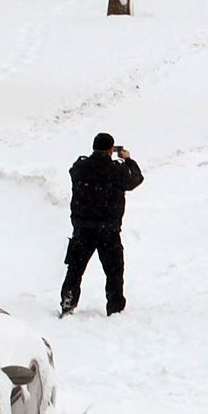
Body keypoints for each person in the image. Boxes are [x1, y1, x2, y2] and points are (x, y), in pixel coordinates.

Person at [61, 133, 144, 316]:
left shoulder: (80, 167)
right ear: (110, 150)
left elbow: (73, 170)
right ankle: (115, 308)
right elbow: (136, 179)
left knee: (75, 269)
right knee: (114, 272)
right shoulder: (116, 170)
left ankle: (68, 302)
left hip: (83, 229)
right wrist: (128, 160)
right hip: (108, 230)